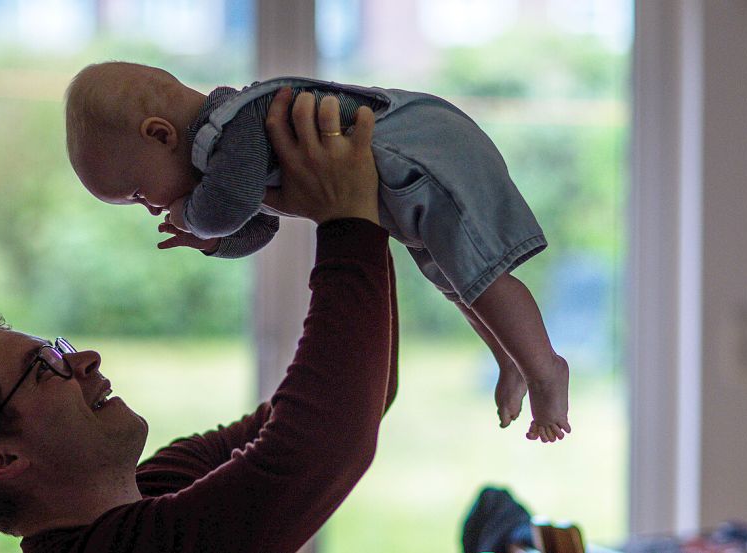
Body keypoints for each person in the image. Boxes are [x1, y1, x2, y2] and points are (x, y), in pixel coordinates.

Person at [0, 91, 400, 551]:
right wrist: (346, 220)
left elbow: (356, 401)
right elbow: (319, 445)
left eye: (61, 349)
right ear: (2, 459)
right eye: (47, 367)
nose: (85, 360)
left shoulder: (157, 486)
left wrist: (362, 209)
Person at [64, 61, 570, 442]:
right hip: (406, 181)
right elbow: (259, 224)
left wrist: (193, 218)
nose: (149, 208)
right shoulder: (231, 154)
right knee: (460, 280)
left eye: (135, 194)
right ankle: (511, 359)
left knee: (482, 273)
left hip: (423, 154)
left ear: (160, 134)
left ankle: (546, 370)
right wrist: (217, 241)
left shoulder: (236, 126)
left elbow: (230, 204)